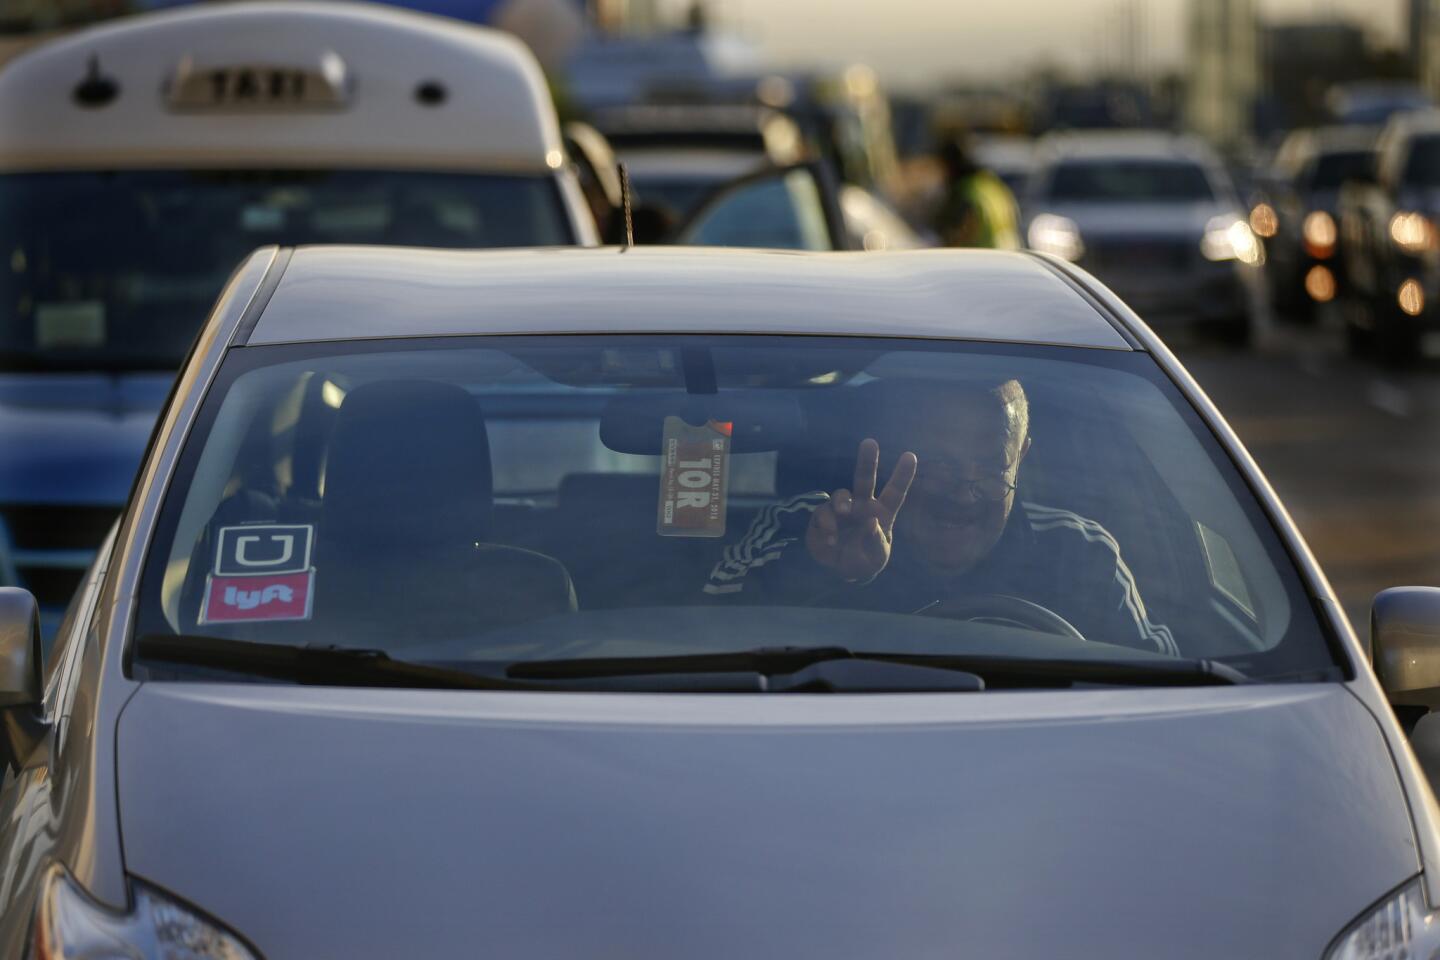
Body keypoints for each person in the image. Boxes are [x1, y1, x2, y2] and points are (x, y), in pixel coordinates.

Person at [703, 378, 1177, 655]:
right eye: (936, 465)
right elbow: (700, 630)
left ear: (1022, 458)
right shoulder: (810, 525)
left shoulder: (1081, 555)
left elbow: (1163, 690)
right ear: (892, 456)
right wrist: (820, 572)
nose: (963, 496)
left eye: (991, 469)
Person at [932, 133, 1022, 250]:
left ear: (950, 165)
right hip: (1010, 256)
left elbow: (962, 232)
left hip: (981, 260)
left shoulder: (964, 192)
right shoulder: (991, 185)